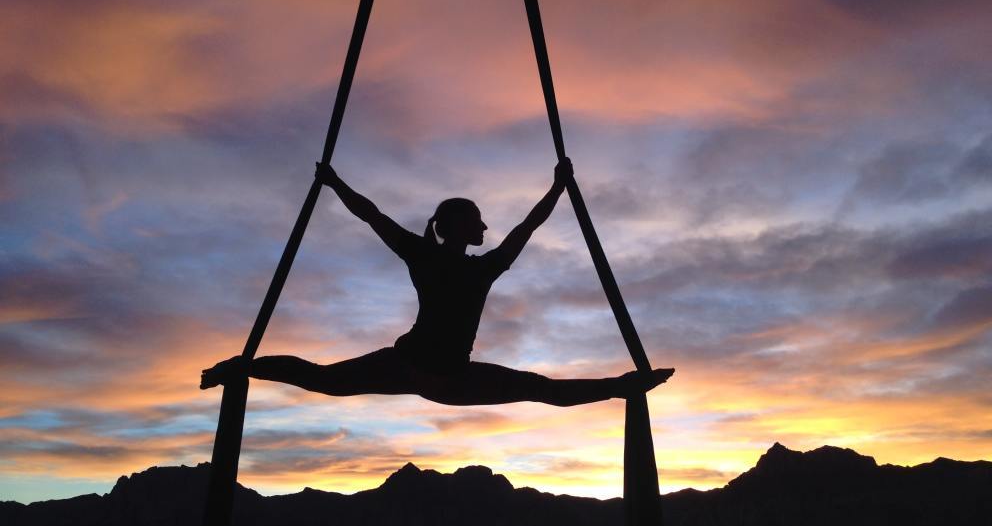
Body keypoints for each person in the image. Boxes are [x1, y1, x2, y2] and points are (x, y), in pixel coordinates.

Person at [201, 158, 673, 406]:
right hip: (425, 369)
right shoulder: (467, 263)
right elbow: (373, 216)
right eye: (479, 222)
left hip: (434, 371)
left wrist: (558, 189)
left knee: (539, 387)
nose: (486, 229)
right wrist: (333, 182)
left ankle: (625, 386)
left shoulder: (445, 258)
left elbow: (373, 216)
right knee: (539, 388)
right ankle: (239, 367)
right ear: (459, 227)